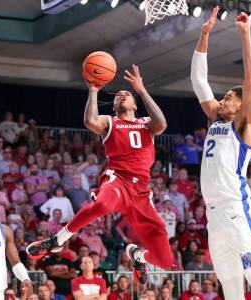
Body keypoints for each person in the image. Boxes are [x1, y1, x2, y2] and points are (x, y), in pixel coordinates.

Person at [27, 63, 171, 286]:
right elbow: (89, 121)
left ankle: (137, 256)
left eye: (127, 94)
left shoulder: (146, 124)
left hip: (141, 191)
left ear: (135, 105)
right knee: (103, 206)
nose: (122, 95)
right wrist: (93, 91)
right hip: (118, 179)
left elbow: (162, 123)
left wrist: (141, 90)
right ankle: (58, 239)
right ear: (114, 106)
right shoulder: (110, 122)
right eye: (118, 95)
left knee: (164, 260)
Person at [190, 7, 251, 299]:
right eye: (224, 95)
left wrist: (245, 33)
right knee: (229, 286)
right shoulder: (216, 118)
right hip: (214, 216)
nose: (223, 97)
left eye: (229, 96)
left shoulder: (244, 125)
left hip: (236, 209)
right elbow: (198, 80)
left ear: (240, 106)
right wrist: (204, 36)